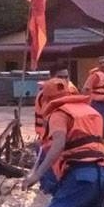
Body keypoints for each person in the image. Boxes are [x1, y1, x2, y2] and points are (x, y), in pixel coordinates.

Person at [22, 78, 104, 207]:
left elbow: (58, 145)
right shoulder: (90, 111)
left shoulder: (59, 114)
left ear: (47, 99)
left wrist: (35, 175)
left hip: (81, 176)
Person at [30, 67, 77, 195]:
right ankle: (47, 196)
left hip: (65, 140)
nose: (64, 80)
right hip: (48, 140)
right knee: (49, 175)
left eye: (66, 77)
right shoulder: (46, 95)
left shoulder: (71, 92)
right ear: (52, 78)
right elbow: (48, 120)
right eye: (60, 77)